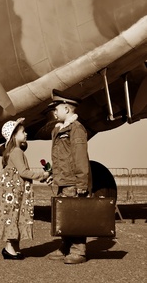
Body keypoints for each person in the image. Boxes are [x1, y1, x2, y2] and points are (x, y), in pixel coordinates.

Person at [0, 118, 51, 260]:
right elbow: (24, 172)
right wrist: (42, 175)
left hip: (12, 192)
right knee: (14, 215)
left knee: (13, 215)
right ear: (14, 136)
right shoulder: (17, 151)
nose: (26, 134)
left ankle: (13, 248)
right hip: (14, 192)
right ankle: (10, 248)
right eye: (23, 132)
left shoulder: (12, 151)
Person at [48, 89, 91, 265]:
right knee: (64, 217)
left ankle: (78, 250)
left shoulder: (76, 129)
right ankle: (65, 246)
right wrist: (53, 174)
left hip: (72, 181)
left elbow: (80, 156)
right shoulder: (58, 130)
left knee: (75, 216)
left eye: (56, 108)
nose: (54, 111)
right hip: (62, 180)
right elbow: (59, 156)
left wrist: (82, 182)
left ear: (66, 109)